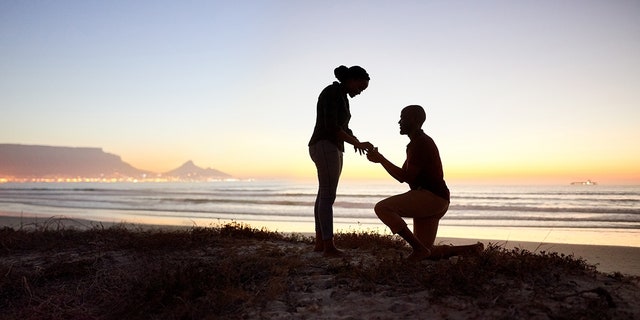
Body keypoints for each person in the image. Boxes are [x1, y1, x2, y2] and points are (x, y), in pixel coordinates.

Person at [366, 105, 483, 261]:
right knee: (428, 252)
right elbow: (403, 176)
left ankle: (418, 249)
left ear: (414, 120)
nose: (399, 122)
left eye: (403, 117)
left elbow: (406, 177)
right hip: (439, 200)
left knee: (382, 208)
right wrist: (380, 159)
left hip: (430, 197)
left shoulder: (420, 143)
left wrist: (380, 159)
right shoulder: (417, 142)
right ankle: (471, 249)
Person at [308, 65, 373, 257]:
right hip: (324, 145)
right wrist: (356, 143)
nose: (360, 92)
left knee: (324, 195)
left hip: (332, 146)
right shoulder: (332, 92)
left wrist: (357, 141)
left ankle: (321, 243)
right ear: (351, 80)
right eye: (360, 87)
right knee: (328, 196)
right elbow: (331, 126)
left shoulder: (342, 96)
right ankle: (328, 245)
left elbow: (344, 127)